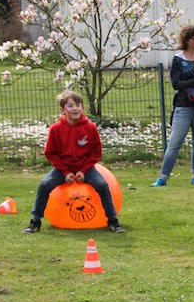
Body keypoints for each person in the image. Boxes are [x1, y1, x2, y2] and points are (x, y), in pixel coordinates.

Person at [23, 90, 124, 233]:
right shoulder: (55, 129)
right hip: (62, 169)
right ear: (62, 110)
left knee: (102, 184)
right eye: (70, 106)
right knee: (45, 184)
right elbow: (50, 153)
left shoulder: (90, 127)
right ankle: (35, 221)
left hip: (87, 168)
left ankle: (113, 220)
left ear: (83, 108)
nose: (74, 108)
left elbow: (96, 153)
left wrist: (83, 171)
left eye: (78, 105)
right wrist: (65, 172)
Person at [152, 24, 194, 187]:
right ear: (186, 39)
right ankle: (163, 177)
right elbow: (177, 84)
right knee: (174, 142)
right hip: (183, 106)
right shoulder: (178, 59)